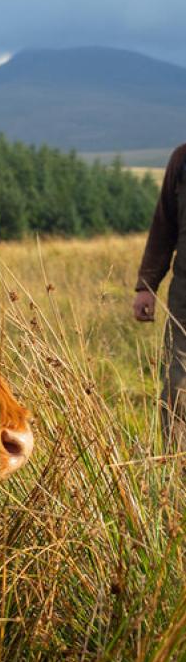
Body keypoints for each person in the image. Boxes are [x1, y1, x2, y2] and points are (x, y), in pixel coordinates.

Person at [133, 142, 186, 448]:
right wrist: (146, 285)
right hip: (184, 298)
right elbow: (163, 226)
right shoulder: (182, 160)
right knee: (178, 389)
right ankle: (176, 479)